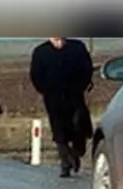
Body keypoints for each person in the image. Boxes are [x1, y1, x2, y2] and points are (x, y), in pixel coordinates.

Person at [29, 37, 94, 178]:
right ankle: (65, 163)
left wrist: (82, 85)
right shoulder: (41, 52)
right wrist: (45, 89)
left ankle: (77, 152)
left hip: (75, 95)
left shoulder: (77, 47)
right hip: (53, 96)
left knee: (79, 124)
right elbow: (35, 74)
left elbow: (87, 68)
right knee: (59, 129)